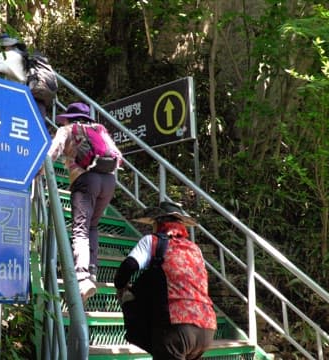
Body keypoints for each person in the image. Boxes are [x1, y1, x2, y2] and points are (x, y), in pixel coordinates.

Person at [113, 201, 217, 360]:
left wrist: (121, 288)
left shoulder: (152, 241)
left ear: (158, 223)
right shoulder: (195, 249)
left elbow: (128, 266)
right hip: (206, 328)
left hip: (176, 326)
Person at [46, 102, 122, 302]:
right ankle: (92, 271)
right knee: (93, 226)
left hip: (85, 180)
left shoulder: (67, 129)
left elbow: (51, 153)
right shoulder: (100, 129)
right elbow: (118, 157)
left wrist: (38, 174)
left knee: (80, 228)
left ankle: (82, 276)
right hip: (108, 180)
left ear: (70, 118)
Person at [0, 34, 51, 120]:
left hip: (22, 102)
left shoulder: (7, 56)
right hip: (37, 102)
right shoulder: (25, 56)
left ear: (5, 46)